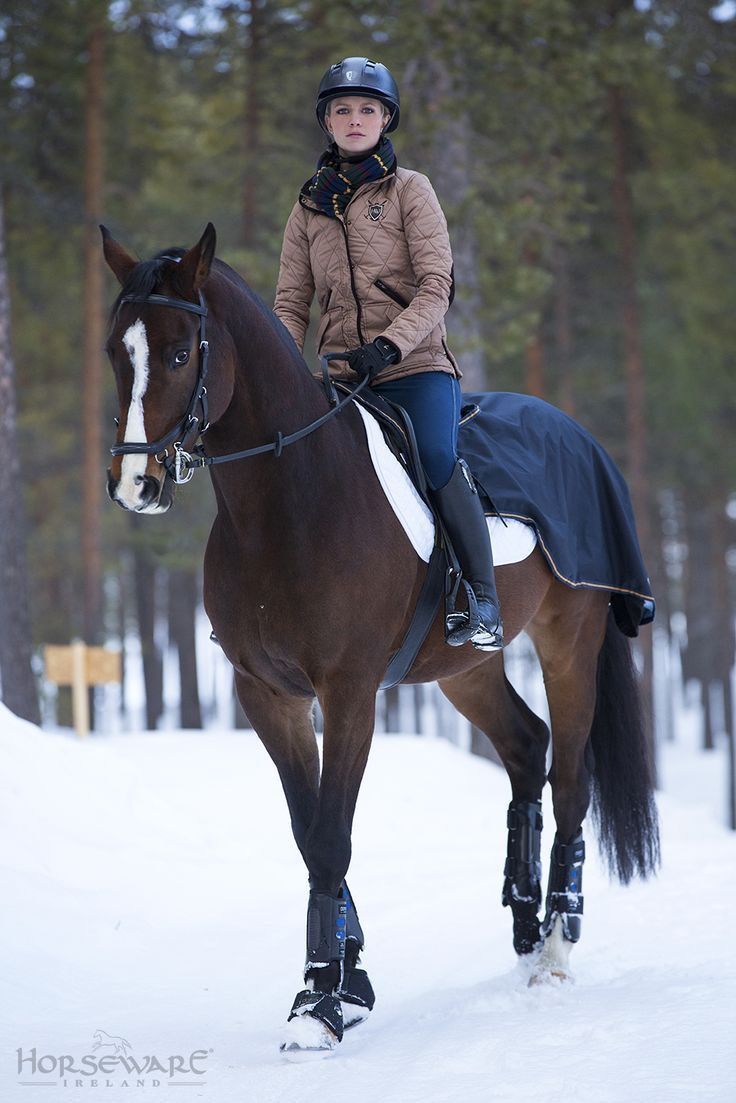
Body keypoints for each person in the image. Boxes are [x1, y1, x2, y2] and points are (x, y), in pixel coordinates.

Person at [274, 56, 503, 651]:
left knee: (433, 458)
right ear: (326, 122)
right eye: (343, 110)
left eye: (367, 110)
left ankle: (481, 598)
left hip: (415, 369)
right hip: (342, 378)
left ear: (386, 120)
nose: (355, 119)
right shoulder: (306, 208)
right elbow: (291, 303)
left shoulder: (411, 190)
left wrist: (390, 344)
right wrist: (280, 369)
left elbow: (437, 286)